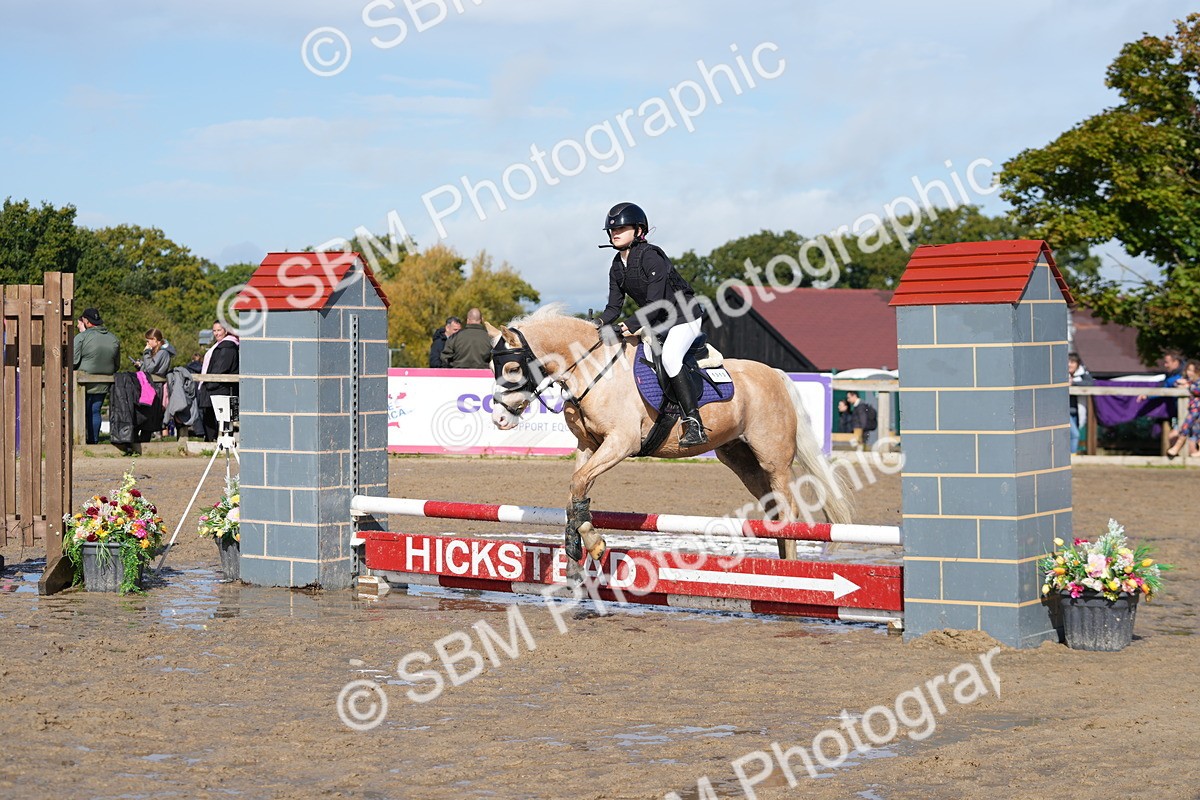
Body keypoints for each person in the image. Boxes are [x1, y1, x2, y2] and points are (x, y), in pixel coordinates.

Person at [595, 202, 708, 447]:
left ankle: (694, 422)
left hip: (683, 316)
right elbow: (614, 307)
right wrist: (597, 324)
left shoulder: (651, 256)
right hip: (657, 320)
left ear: (638, 230)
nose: (615, 233)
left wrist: (628, 325)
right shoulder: (617, 265)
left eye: (622, 228)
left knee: (669, 357)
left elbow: (656, 303)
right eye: (612, 230)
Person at [72, 307, 120, 445]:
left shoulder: (81, 337)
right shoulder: (113, 339)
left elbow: (73, 361)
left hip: (83, 383)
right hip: (104, 383)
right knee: (95, 410)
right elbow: (116, 364)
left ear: (86, 321)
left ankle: (79, 441)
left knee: (81, 411)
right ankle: (94, 441)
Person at [197, 321, 240, 442]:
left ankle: (218, 442)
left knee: (222, 417)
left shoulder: (227, 347)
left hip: (220, 388)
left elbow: (221, 367)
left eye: (219, 330)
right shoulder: (219, 346)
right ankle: (213, 440)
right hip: (215, 387)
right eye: (214, 331)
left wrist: (208, 384)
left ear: (226, 331)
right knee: (211, 416)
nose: (216, 333)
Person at [1166, 360, 1200, 459]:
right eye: (1188, 370)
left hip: (1196, 410)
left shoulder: (1196, 383)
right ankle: (1177, 447)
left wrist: (1188, 387)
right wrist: (1181, 383)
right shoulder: (1191, 381)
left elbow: (1197, 390)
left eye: (1192, 370)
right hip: (1194, 410)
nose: (1189, 373)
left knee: (1188, 426)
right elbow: (1175, 383)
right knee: (1193, 429)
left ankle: (1177, 446)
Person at [1067, 352, 1094, 455]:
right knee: (1075, 435)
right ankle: (1072, 456)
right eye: (1068, 362)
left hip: (1078, 410)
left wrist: (1073, 383)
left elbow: (1091, 383)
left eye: (1072, 362)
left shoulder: (1083, 374)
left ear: (1077, 364)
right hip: (1065, 411)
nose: (1069, 364)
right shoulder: (1059, 374)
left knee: (1072, 435)